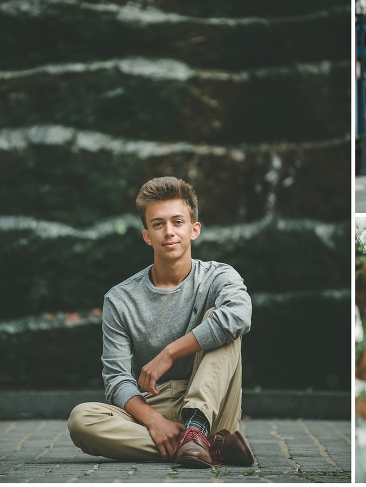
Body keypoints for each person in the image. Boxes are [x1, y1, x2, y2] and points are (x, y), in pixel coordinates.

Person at [68, 176, 254, 469]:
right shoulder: (120, 299)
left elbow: (240, 315)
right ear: (147, 235)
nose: (169, 232)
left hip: (213, 403)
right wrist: (153, 421)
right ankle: (210, 447)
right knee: (81, 420)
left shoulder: (219, 277)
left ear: (194, 229)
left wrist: (169, 353)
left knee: (221, 320)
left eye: (178, 222)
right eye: (158, 224)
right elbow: (116, 378)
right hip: (152, 404)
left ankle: (199, 429)